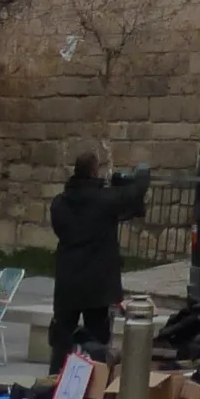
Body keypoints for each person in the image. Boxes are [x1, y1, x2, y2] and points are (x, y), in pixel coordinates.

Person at [49, 149, 150, 367]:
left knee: (61, 341)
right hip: (96, 285)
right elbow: (132, 195)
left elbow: (60, 230)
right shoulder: (104, 201)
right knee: (96, 344)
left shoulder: (58, 203)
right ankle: (95, 389)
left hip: (68, 281)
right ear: (95, 173)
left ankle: (53, 386)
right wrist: (139, 177)